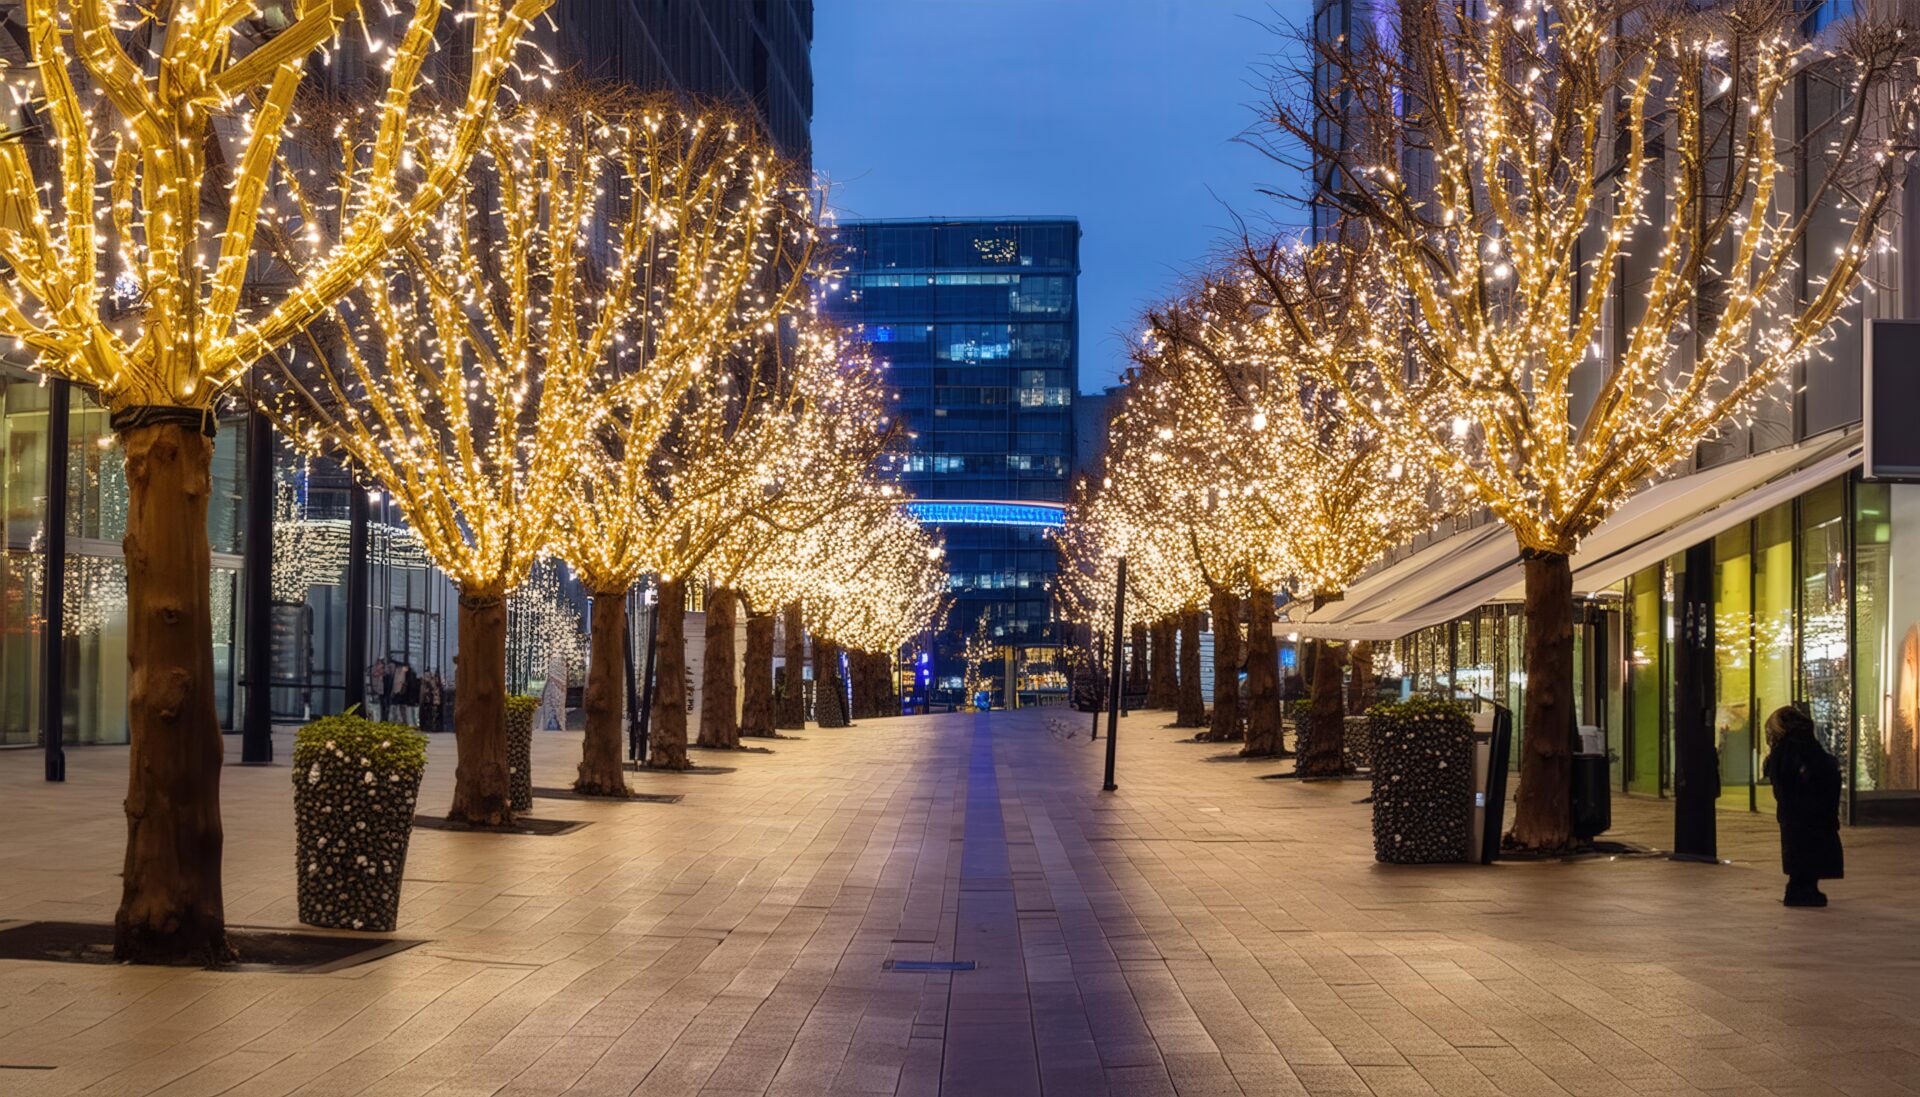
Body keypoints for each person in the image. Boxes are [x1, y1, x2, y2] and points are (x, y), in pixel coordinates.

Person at [1762, 706, 1843, 907]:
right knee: (1810, 853)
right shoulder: (1804, 746)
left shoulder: (1784, 749)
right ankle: (1804, 890)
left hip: (1796, 812)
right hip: (1812, 811)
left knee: (1801, 853)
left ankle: (1802, 889)